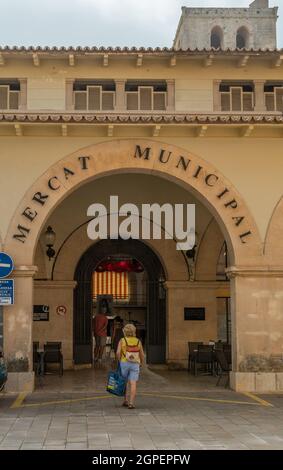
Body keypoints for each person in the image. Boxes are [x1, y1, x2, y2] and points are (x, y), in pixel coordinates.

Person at [116, 323, 144, 409]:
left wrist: (119, 360)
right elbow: (142, 354)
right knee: (133, 383)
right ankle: (131, 403)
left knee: (125, 382)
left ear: (125, 331)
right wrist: (141, 363)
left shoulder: (122, 340)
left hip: (124, 362)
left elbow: (117, 352)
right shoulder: (138, 341)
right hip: (135, 363)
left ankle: (125, 400)